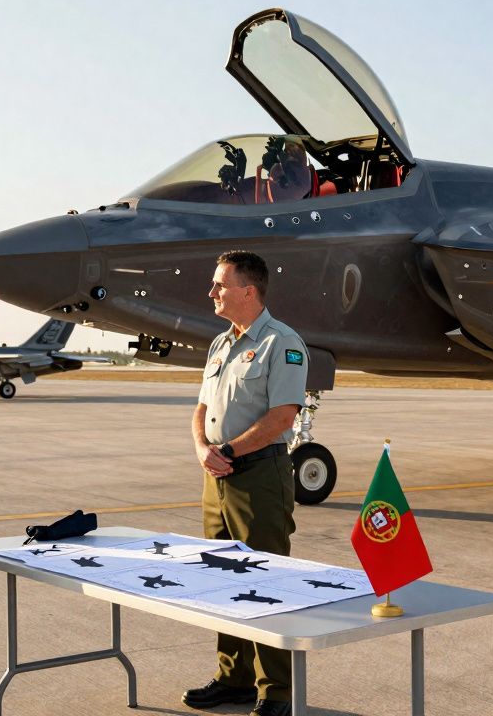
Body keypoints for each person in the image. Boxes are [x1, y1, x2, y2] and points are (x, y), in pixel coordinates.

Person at [184, 250, 308, 716]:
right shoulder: (220, 344)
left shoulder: (282, 343)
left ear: (248, 291)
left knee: (265, 580)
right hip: (216, 478)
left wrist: (230, 452)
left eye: (220, 284)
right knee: (220, 579)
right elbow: (201, 408)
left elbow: (283, 416)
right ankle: (232, 676)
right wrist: (202, 449)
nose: (212, 292)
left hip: (258, 476)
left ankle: (275, 690)